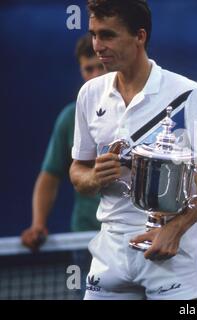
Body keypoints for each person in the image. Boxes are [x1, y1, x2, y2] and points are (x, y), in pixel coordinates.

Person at [69, 0, 197, 300]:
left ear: (140, 36)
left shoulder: (187, 93)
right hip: (110, 251)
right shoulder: (89, 94)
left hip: (174, 252)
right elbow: (78, 170)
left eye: (107, 35)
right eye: (93, 34)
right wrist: (94, 177)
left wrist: (175, 229)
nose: (97, 45)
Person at [20, 33, 105, 298]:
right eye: (87, 68)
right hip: (87, 240)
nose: (93, 74)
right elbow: (50, 176)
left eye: (99, 67)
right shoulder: (70, 117)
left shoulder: (136, 110)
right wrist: (38, 224)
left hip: (132, 239)